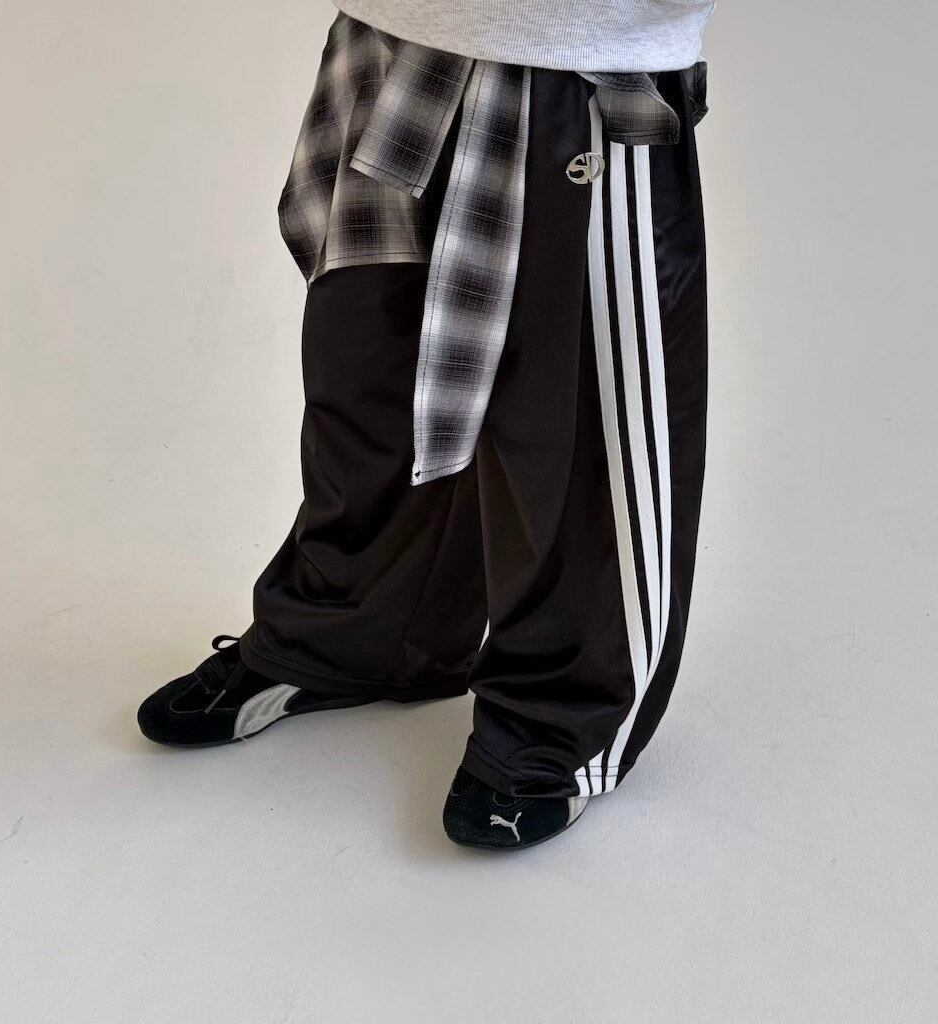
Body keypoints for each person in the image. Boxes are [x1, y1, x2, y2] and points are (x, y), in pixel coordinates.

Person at [137, 0, 716, 851]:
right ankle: (354, 638)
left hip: (577, 58)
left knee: (573, 439)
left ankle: (557, 722)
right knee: (367, 386)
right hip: (393, 32)